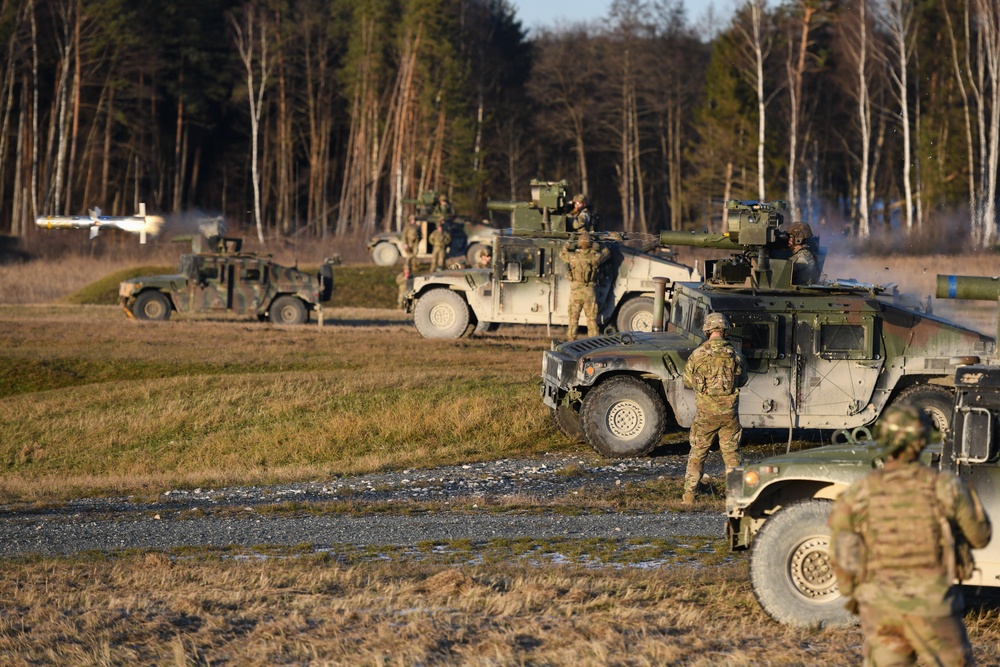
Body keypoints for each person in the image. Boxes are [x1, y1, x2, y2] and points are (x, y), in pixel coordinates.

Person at [829, 404, 992, 666]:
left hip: (882, 609)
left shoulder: (860, 491)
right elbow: (980, 537)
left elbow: (842, 546)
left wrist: (852, 589)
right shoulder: (947, 486)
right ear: (923, 439)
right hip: (933, 607)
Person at [681, 312, 748, 505]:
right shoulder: (735, 355)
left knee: (697, 453)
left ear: (707, 330)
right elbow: (742, 380)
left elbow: (687, 381)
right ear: (725, 330)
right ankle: (736, 497)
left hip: (705, 415)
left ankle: (689, 496)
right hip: (729, 415)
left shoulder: (697, 354)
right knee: (732, 453)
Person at [559, 232, 609, 340]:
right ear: (590, 244)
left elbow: (562, 253)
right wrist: (600, 241)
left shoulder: (573, 257)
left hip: (575, 292)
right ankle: (593, 342)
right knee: (591, 319)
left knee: (573, 319)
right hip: (589, 292)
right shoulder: (594, 257)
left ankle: (571, 342)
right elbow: (607, 253)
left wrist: (570, 241)